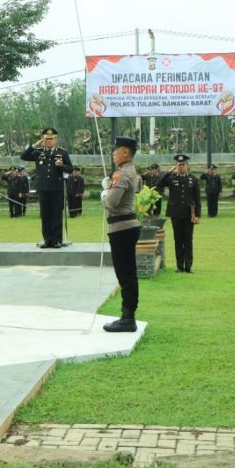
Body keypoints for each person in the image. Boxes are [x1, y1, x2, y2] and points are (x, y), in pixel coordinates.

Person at [101, 136, 142, 332]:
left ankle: (128, 318)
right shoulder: (126, 171)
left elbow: (112, 202)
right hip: (124, 227)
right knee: (127, 274)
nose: (113, 154)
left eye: (116, 150)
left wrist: (104, 194)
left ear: (125, 153)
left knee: (125, 275)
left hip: (122, 228)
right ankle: (128, 316)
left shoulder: (123, 173)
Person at [21, 127, 73, 248]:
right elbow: (23, 156)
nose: (49, 141)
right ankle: (47, 240)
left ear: (56, 139)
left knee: (56, 214)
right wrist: (36, 144)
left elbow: (70, 169)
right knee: (45, 215)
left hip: (57, 188)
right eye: (46, 139)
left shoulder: (62, 152)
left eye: (51, 139)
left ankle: (56, 240)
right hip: (43, 188)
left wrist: (62, 165)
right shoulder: (38, 152)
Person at [156, 154, 201, 273]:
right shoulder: (171, 178)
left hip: (188, 214)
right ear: (176, 165)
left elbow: (197, 199)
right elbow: (158, 183)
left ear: (187, 166)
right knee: (178, 239)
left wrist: (197, 215)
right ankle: (179, 266)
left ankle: (188, 266)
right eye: (179, 165)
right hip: (175, 213)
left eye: (183, 165)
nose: (181, 167)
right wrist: (168, 172)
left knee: (188, 240)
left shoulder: (193, 180)